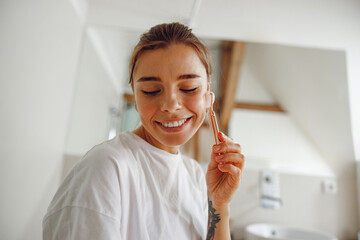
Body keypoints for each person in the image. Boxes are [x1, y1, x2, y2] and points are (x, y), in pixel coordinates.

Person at [43, 22, 245, 240]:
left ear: (208, 95)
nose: (170, 104)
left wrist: (219, 205)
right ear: (135, 97)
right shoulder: (107, 167)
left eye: (189, 88)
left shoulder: (195, 175)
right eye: (151, 91)